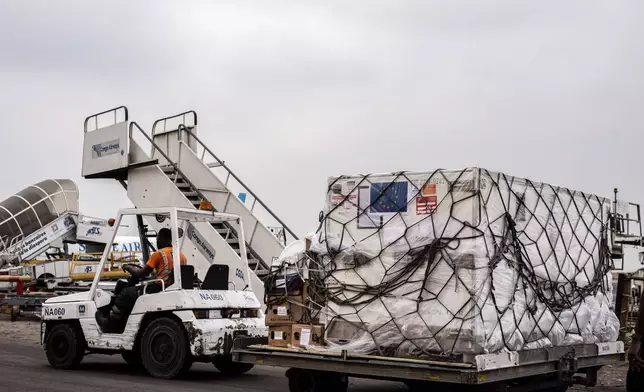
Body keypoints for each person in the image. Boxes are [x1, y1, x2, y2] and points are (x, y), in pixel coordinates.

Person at [123, 227, 187, 292]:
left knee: (125, 294)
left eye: (157, 239)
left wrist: (128, 267)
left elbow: (142, 273)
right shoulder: (181, 255)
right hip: (175, 287)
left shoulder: (159, 253)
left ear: (159, 239)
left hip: (160, 288)